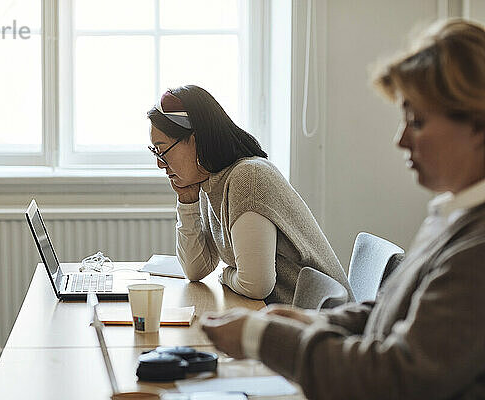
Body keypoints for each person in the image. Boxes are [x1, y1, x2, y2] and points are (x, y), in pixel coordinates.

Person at [200, 19, 485, 399]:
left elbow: (394, 379)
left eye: (416, 121)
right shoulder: (453, 215)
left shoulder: (477, 249)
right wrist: (311, 321)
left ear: (478, 123)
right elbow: (394, 314)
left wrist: (259, 336)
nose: (400, 139)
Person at [147, 85, 353, 304]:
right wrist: (187, 202)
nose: (160, 163)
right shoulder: (209, 181)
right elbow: (195, 270)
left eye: (162, 150)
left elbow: (255, 286)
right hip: (288, 317)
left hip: (320, 323)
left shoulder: (247, 177)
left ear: (197, 139)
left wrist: (225, 274)